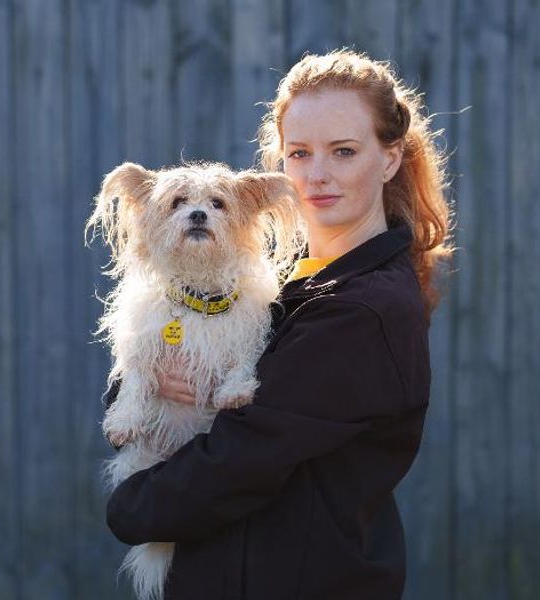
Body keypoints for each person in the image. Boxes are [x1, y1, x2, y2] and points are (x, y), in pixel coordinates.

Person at [103, 49, 453, 599]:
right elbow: (151, 384)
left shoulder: (363, 310)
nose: (318, 174)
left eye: (343, 151)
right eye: (299, 152)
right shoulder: (293, 283)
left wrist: (130, 507)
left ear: (389, 159)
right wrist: (142, 386)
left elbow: (240, 461)